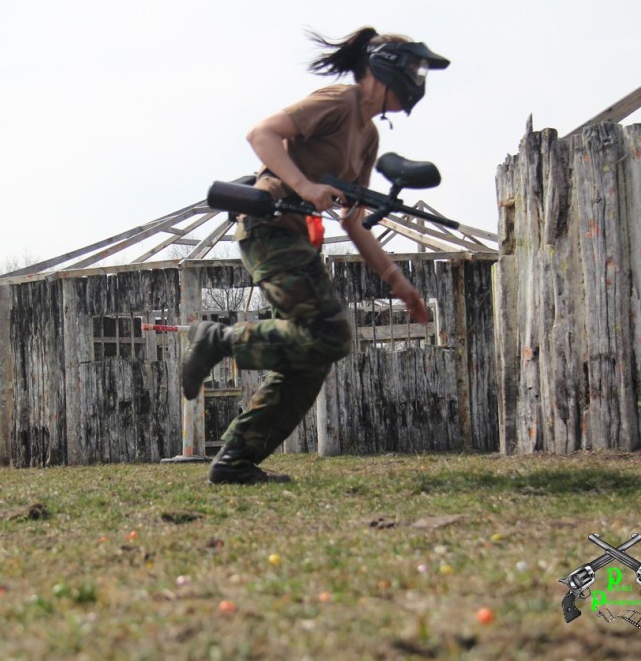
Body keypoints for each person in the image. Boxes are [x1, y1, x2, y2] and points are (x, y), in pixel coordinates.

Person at [182, 27, 449, 485]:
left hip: (297, 240)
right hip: (269, 227)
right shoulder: (339, 101)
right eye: (411, 69)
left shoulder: (368, 137)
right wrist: (304, 185)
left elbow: (354, 222)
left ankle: (235, 461)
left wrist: (399, 284)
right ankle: (218, 339)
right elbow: (262, 134)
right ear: (383, 69)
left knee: (310, 358)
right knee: (332, 335)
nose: (416, 81)